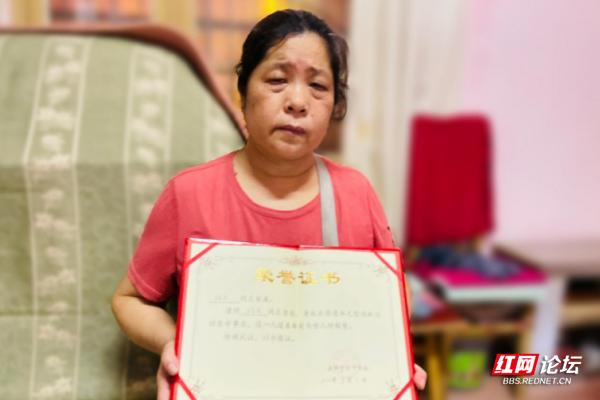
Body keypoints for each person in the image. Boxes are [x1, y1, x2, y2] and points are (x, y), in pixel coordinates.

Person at [112, 9, 427, 399]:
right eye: (278, 80)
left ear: (334, 105)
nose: (297, 101)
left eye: (318, 86)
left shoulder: (355, 192)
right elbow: (129, 300)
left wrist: (387, 352)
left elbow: (393, 290)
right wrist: (178, 346)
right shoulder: (189, 193)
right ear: (243, 93)